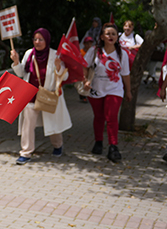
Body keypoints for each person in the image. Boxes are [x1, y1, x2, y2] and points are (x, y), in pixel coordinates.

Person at [10, 28, 72, 164]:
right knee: (28, 125)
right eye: (35, 39)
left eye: (41, 39)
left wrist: (58, 67)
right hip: (30, 95)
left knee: (53, 123)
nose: (37, 42)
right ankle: (25, 152)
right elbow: (21, 73)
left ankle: (57, 145)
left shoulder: (55, 55)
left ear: (47, 40)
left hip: (48, 95)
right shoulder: (29, 54)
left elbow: (64, 76)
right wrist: (16, 62)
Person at [83, 23, 132, 162]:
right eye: (108, 34)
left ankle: (113, 147)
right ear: (102, 37)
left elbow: (126, 74)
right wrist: (85, 80)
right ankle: (98, 142)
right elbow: (85, 66)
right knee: (99, 117)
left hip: (114, 89)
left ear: (117, 37)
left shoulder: (122, 53)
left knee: (111, 117)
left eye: (113, 34)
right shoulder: (94, 51)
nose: (110, 36)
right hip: (96, 89)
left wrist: (128, 91)